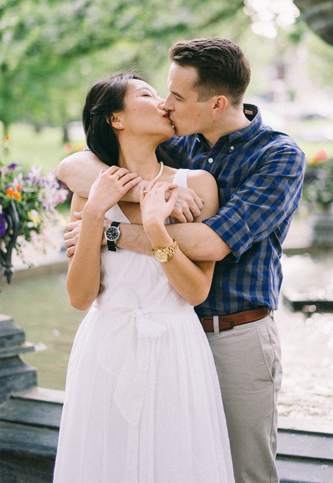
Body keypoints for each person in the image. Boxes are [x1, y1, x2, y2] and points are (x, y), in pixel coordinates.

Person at [58, 38, 305, 483]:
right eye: (159, 94)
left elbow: (210, 244)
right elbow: (72, 165)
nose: (166, 105)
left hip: (231, 335)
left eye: (175, 96)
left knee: (240, 471)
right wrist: (130, 195)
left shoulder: (277, 157)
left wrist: (111, 232)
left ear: (216, 104)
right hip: (139, 339)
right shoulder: (180, 146)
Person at [53, 73, 234, 482]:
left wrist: (156, 230)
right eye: (148, 95)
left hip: (174, 346)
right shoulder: (90, 192)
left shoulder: (197, 185)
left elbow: (195, 291)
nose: (164, 103)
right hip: (105, 347)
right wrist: (96, 214)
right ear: (116, 118)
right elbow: (81, 298)